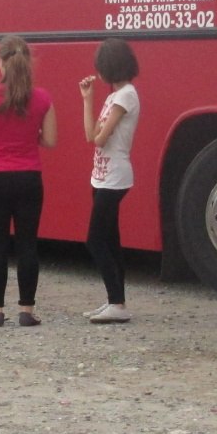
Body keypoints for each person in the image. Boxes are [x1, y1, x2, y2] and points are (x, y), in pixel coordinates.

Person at [0, 35, 56, 327]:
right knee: (27, 245)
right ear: (28, 61)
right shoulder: (42, 98)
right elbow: (51, 140)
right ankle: (27, 311)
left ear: (0, 60)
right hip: (29, 178)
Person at [78, 38, 140, 323]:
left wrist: (100, 130)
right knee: (111, 240)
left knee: (95, 240)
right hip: (102, 176)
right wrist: (87, 99)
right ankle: (116, 301)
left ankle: (116, 301)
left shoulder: (126, 95)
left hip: (114, 176)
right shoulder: (112, 97)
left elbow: (100, 138)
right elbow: (91, 136)